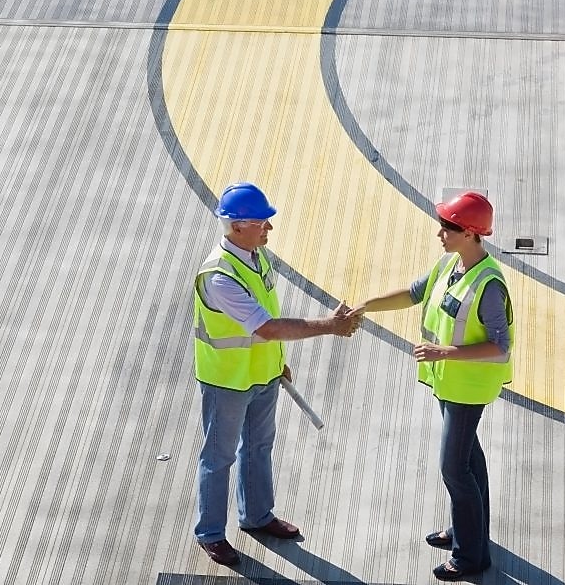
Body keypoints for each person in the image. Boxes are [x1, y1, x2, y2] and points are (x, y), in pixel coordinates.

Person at [193, 182, 362, 567]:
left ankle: (256, 516)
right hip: (228, 382)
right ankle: (211, 533)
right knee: (218, 457)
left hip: (263, 375)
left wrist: (276, 362)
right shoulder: (219, 277)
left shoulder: (256, 255)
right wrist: (329, 326)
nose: (269, 228)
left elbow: (267, 317)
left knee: (258, 447)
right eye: (261, 222)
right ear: (236, 227)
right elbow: (266, 326)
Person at [355, 191, 513, 582]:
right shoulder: (449, 266)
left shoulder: (490, 285)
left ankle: (470, 558)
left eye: (449, 227)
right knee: (469, 462)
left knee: (454, 470)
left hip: (467, 388)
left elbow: (499, 347)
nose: (440, 232)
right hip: (449, 382)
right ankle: (469, 533)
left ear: (472, 234)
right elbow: (412, 294)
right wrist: (364, 306)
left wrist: (445, 352)